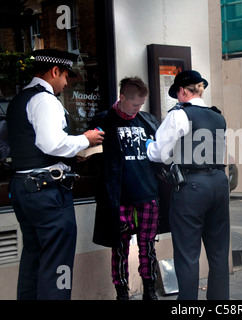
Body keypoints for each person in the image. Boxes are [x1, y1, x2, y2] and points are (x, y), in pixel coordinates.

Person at [6, 49, 104, 300]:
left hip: (24, 188)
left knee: (33, 259)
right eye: (65, 76)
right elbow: (50, 143)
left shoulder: (20, 99)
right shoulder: (45, 100)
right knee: (58, 263)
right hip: (47, 192)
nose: (66, 82)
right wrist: (85, 139)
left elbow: (29, 145)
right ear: (55, 71)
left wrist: (71, 154)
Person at [146, 70, 230, 300]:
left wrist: (147, 146)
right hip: (219, 183)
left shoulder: (179, 115)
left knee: (187, 254)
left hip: (191, 186)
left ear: (182, 91)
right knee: (220, 253)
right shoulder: (218, 116)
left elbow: (160, 153)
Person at [91, 77, 160, 300]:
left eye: (141, 104)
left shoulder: (148, 120)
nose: (138, 109)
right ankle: (122, 291)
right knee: (119, 248)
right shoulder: (103, 121)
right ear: (122, 97)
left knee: (147, 245)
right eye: (134, 104)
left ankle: (149, 288)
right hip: (118, 196)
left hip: (147, 193)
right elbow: (93, 160)